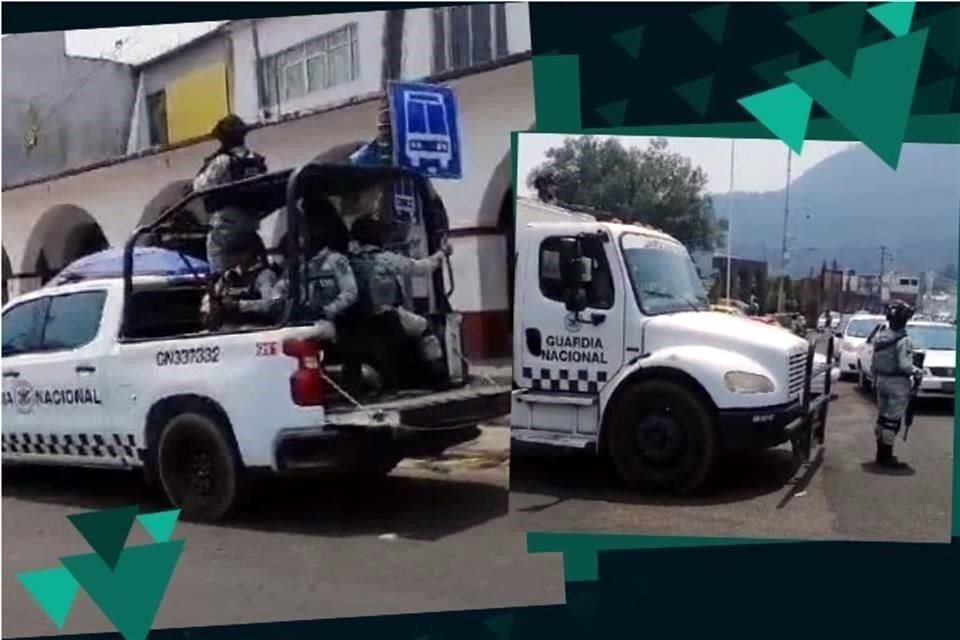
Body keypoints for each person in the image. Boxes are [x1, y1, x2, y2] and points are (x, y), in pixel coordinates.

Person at [349, 214, 452, 379]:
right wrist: (441, 253)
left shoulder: (350, 262)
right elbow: (421, 268)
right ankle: (436, 371)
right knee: (424, 325)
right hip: (386, 315)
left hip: (358, 320)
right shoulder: (385, 259)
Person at [273, 196, 358, 341]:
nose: (303, 231)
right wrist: (281, 303)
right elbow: (279, 289)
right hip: (298, 322)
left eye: (307, 225)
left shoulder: (335, 260)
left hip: (328, 324)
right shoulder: (298, 264)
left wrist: (326, 311)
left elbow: (350, 293)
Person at [193, 114, 269, 275]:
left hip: (228, 219)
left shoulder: (223, 160)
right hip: (252, 219)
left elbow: (201, 186)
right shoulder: (256, 160)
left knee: (214, 246)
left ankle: (220, 282)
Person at [870, 300, 922, 469]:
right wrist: (917, 371)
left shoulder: (881, 336)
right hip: (897, 383)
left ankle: (880, 454)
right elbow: (905, 365)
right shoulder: (903, 340)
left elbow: (873, 361)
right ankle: (887, 457)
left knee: (882, 418)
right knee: (892, 421)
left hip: (881, 380)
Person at [202, 233, 279, 331]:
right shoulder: (228, 276)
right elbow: (213, 299)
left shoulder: (265, 275)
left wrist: (238, 305)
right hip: (227, 327)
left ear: (249, 253)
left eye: (235, 253)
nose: (230, 256)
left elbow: (270, 305)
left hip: (255, 327)